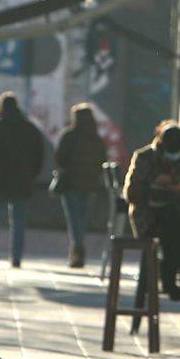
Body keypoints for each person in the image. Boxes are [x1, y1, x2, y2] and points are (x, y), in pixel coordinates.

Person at [123, 122, 180, 303]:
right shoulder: (145, 157)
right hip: (149, 217)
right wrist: (155, 186)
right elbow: (131, 193)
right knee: (171, 223)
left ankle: (169, 279)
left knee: (173, 220)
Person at [0, 92, 45, 268]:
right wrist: (31, 175)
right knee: (18, 222)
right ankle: (16, 257)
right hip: (22, 181)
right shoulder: (30, 128)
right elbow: (39, 156)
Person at [54, 103, 108, 268]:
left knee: (73, 218)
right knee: (82, 218)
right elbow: (102, 161)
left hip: (70, 183)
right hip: (90, 184)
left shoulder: (69, 136)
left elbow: (59, 158)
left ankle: (77, 249)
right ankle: (77, 248)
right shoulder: (97, 139)